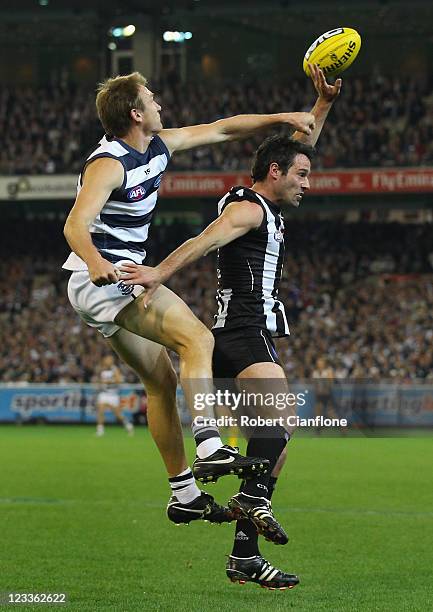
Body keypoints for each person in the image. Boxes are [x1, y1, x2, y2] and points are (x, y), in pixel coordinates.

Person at [118, 64, 341, 588]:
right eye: (301, 176)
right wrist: (158, 272)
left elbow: (295, 147)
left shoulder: (266, 202)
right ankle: (248, 498)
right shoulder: (248, 208)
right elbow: (205, 240)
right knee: (280, 421)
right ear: (275, 175)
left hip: (231, 336)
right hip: (244, 330)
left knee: (274, 445)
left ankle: (244, 554)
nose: (308, 183)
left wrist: (322, 104)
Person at [62, 71, 316, 525]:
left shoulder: (159, 146)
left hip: (110, 282)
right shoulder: (109, 162)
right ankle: (210, 443)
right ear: (136, 114)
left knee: (160, 381)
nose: (160, 104)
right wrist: (97, 262)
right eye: (151, 99)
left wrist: (284, 116)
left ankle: (184, 494)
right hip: (107, 275)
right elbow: (74, 225)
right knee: (197, 339)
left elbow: (225, 127)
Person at [94, 354, 134, 436]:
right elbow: (101, 380)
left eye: (109, 359)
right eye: (106, 359)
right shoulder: (102, 369)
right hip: (104, 393)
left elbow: (119, 380)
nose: (108, 361)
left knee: (118, 415)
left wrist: (110, 381)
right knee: (100, 410)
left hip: (113, 395)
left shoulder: (114, 369)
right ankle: (100, 430)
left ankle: (128, 426)